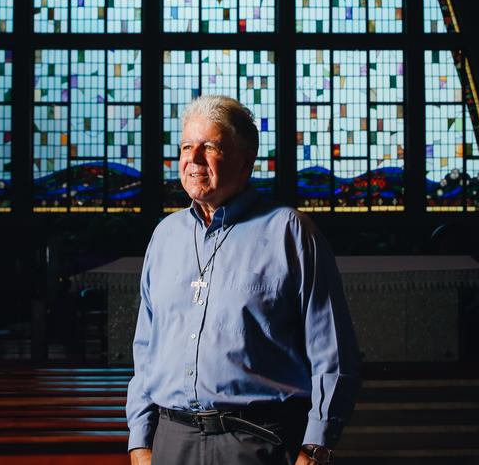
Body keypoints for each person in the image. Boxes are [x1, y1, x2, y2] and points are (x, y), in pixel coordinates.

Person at [126, 95, 360, 465]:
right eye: (187, 146)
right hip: (173, 440)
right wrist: (140, 440)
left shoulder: (291, 233)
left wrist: (314, 448)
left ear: (246, 160)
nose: (193, 158)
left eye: (211, 146)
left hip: (257, 441)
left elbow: (333, 352)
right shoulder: (165, 237)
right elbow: (146, 350)